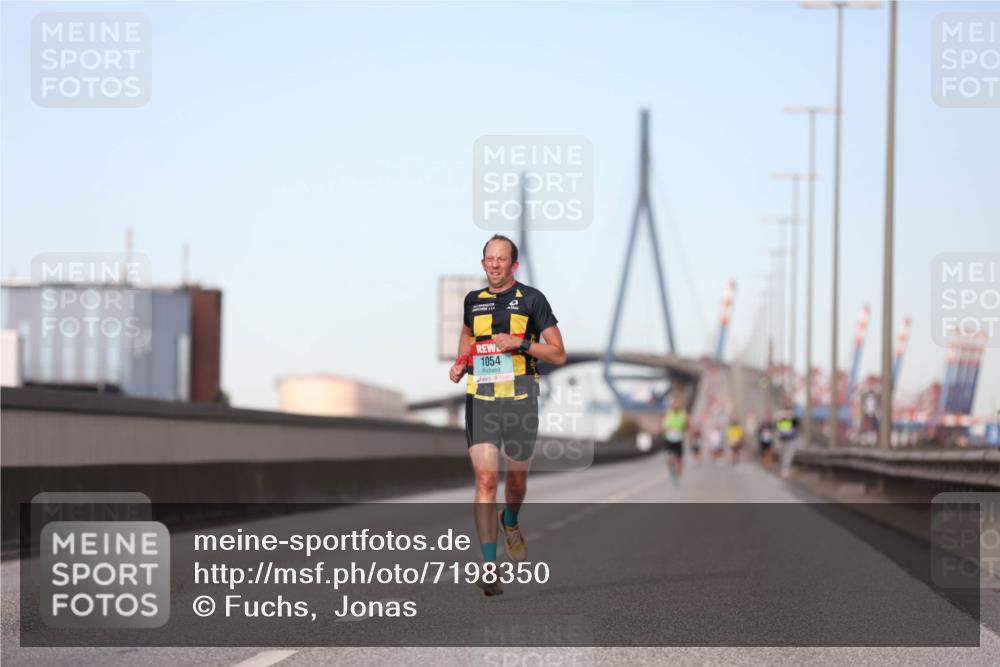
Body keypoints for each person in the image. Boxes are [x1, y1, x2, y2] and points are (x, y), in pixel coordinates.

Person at [448, 234, 566, 596]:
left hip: (520, 399)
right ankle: (488, 566)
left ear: (514, 264)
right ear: (483, 263)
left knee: (515, 483)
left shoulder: (532, 300)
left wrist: (522, 343)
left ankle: (510, 519)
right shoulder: (473, 301)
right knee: (486, 481)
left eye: (502, 259)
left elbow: (559, 354)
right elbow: (467, 335)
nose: (495, 264)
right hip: (482, 399)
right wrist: (461, 362)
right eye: (490, 259)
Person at [661, 395, 688, 486]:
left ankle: (678, 478)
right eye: (675, 404)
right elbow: (664, 426)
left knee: (679, 460)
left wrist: (683, 429)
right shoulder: (668, 414)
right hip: (669, 440)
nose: (676, 406)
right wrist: (669, 430)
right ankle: (672, 471)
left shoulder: (683, 414)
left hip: (679, 440)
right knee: (669, 458)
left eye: (678, 404)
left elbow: (687, 425)